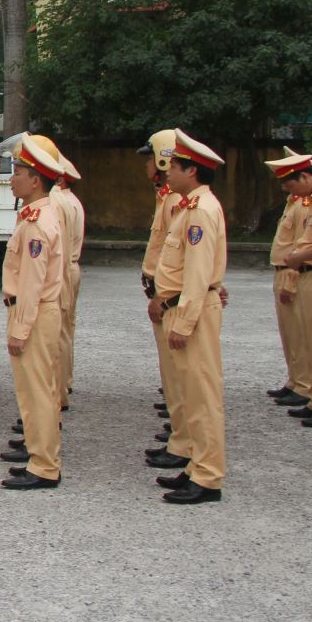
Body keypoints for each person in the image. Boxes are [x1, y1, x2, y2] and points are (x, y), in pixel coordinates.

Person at [150, 130, 228, 504]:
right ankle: (197, 465)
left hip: (190, 312)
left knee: (201, 396)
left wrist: (182, 321)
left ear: (192, 170)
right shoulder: (189, 208)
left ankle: (209, 476)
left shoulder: (200, 212)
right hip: (182, 307)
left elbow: (197, 275)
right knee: (190, 394)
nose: (167, 171)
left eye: (174, 166)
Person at [0, 135, 65, 490]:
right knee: (38, 391)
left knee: (37, 393)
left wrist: (20, 329)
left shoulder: (38, 222)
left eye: (18, 172)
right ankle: (42, 459)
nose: (12, 178)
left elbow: (33, 283)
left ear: (36, 179)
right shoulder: (35, 216)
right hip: (38, 312)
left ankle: (44, 466)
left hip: (35, 314)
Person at [139, 130, 194, 471]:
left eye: (151, 159)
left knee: (178, 374)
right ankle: (179, 435)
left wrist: (165, 295)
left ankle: (184, 442)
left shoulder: (175, 201)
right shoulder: (167, 198)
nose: (147, 165)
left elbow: (182, 257)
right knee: (171, 373)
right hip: (163, 293)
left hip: (171, 297)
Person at [265, 150, 312, 411]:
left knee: (306, 337)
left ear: (305, 176)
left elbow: (301, 243)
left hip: (300, 271)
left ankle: (305, 386)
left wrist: (292, 274)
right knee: (294, 335)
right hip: (292, 269)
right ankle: (298, 382)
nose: (287, 188)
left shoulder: (307, 203)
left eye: (290, 182)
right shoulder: (298, 200)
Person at [53, 158, 87, 410]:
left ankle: (56, 394)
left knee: (56, 335)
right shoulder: (72, 200)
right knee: (66, 332)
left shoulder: (55, 200)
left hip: (62, 269)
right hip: (72, 267)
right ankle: (64, 383)